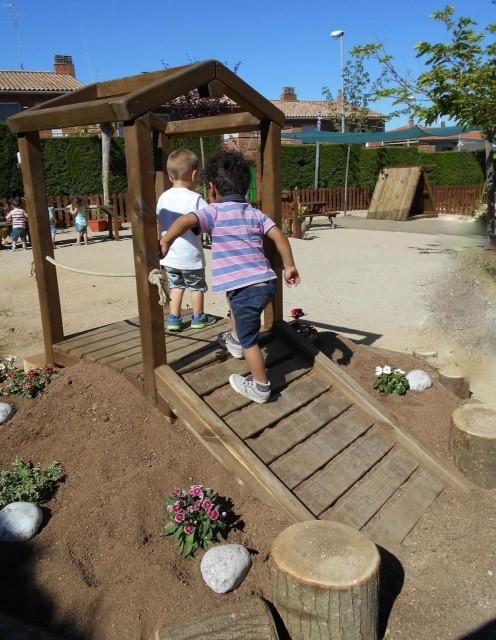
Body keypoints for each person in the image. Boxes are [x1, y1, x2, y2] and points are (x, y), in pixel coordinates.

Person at [160, 151, 301, 404]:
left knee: (250, 341)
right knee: (233, 301)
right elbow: (279, 235)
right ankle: (235, 339)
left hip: (245, 287)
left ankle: (260, 386)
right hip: (265, 283)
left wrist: (166, 240)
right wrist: (289, 266)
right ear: (246, 188)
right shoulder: (254, 213)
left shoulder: (213, 212)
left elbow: (184, 221)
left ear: (212, 189)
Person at [157, 149, 217, 332]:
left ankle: (174, 319)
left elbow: (158, 220)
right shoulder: (196, 199)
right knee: (196, 286)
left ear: (169, 176)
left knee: (176, 285)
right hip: (191, 257)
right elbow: (212, 219)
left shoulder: (163, 197)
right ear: (194, 174)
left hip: (170, 256)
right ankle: (198, 317)